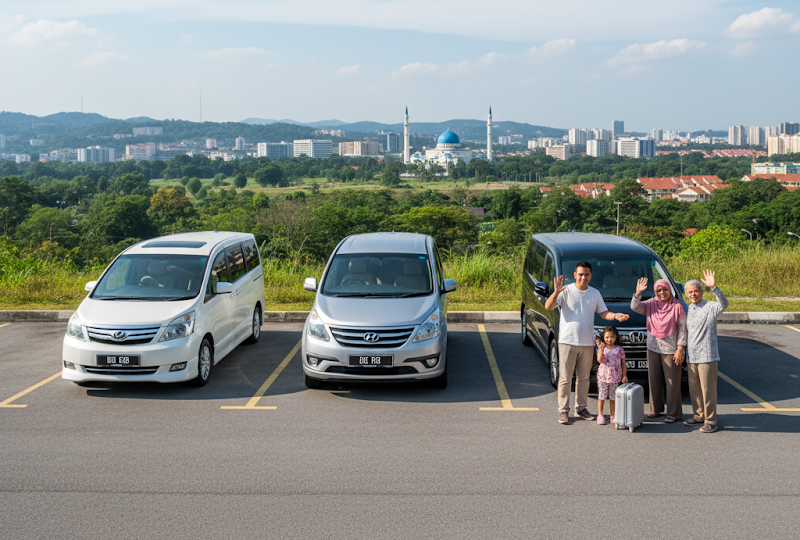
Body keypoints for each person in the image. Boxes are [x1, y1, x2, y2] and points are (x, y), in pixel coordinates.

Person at [545, 262, 630, 425]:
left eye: (586, 274)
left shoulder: (594, 293)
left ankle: (581, 408)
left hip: (587, 343)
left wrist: (615, 316)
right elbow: (548, 306)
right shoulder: (565, 291)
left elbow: (604, 313)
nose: (583, 277)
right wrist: (556, 292)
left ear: (591, 276)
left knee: (584, 378)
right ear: (575, 275)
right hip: (567, 341)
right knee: (565, 378)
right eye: (580, 274)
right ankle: (563, 410)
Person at [631, 277, 687, 423]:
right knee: (654, 379)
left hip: (671, 349)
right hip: (653, 347)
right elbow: (635, 307)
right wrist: (638, 293)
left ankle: (673, 413)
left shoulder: (677, 306)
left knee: (672, 382)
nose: (662, 292)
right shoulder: (651, 303)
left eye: (665, 289)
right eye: (659, 290)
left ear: (670, 290)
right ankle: (655, 409)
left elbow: (682, 329)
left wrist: (680, 349)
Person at [684, 270, 728, 433]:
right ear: (686, 294)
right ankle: (699, 416)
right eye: (690, 292)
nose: (693, 294)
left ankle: (710, 420)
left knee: (708, 390)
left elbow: (724, 304)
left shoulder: (710, 307)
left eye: (696, 291)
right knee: (694, 389)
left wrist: (714, 287)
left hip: (707, 356)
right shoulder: (688, 309)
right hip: (692, 356)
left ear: (702, 292)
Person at [595, 326, 628, 425]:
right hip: (603, 377)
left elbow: (623, 363)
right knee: (602, 396)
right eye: (607, 337)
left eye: (612, 337)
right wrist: (601, 349)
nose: (609, 339)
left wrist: (624, 375)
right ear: (603, 338)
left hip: (615, 377)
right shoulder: (602, 348)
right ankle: (600, 414)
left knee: (613, 397)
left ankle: (612, 414)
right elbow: (599, 360)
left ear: (616, 337)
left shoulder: (619, 349)